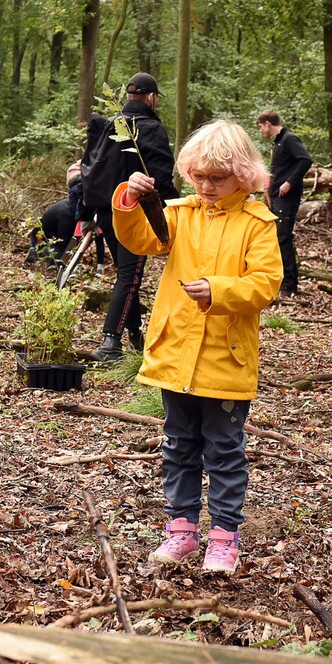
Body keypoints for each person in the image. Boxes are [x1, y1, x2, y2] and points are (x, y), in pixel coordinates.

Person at [112, 120, 282, 573]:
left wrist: (220, 291)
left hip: (226, 358)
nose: (206, 186)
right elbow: (142, 239)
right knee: (178, 445)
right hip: (175, 355)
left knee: (225, 450)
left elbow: (265, 284)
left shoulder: (257, 223)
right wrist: (129, 199)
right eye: (199, 176)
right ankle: (181, 531)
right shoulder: (179, 213)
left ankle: (225, 538)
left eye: (217, 178)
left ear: (242, 175)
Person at [84, 73, 178, 361]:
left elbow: (90, 167)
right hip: (135, 214)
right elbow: (160, 175)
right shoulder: (149, 128)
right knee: (130, 276)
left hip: (108, 211)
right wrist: (177, 208)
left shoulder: (111, 125)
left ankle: (135, 336)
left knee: (128, 275)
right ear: (150, 97)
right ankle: (110, 344)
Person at [256, 110, 312, 297]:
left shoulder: (289, 139)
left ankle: (288, 286)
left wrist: (289, 182)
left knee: (283, 238)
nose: (261, 131)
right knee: (281, 238)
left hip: (287, 198)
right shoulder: (279, 143)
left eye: (260, 127)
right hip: (277, 198)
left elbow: (305, 160)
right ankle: (287, 280)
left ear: (267, 124)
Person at [25, 161, 105, 271]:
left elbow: (94, 238)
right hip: (41, 238)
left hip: (56, 236)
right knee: (58, 261)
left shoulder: (80, 209)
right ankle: (36, 252)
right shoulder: (66, 214)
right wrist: (68, 266)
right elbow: (65, 244)